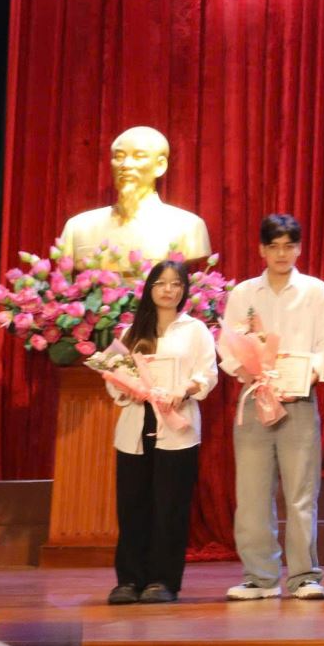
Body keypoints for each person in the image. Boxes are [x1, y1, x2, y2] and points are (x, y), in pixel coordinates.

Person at [221, 214, 324, 601]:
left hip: (299, 400)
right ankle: (259, 577)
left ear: (299, 248)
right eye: (274, 246)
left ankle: (304, 576)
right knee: (252, 493)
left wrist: (306, 375)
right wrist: (249, 371)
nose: (282, 254)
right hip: (255, 399)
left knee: (301, 494)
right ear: (262, 250)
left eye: (289, 246)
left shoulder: (315, 291)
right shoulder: (244, 294)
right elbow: (228, 345)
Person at [106, 259, 218, 605]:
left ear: (184, 290)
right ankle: (129, 580)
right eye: (161, 283)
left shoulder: (195, 330)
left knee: (171, 508)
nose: (168, 290)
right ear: (149, 288)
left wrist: (183, 390)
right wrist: (126, 390)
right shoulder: (130, 331)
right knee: (132, 507)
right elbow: (114, 379)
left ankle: (163, 580)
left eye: (176, 284)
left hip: (177, 429)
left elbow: (207, 375)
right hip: (135, 429)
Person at [58, 126, 210, 266]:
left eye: (138, 157)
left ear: (160, 166)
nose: (125, 165)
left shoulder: (188, 227)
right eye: (119, 157)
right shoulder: (78, 227)